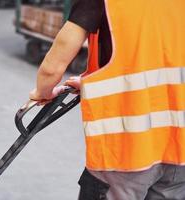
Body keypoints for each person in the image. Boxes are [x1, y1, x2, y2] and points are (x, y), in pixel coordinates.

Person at [29, 0, 185, 199]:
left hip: (124, 153)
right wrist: (90, 82)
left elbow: (53, 67)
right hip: (179, 150)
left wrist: (43, 91)